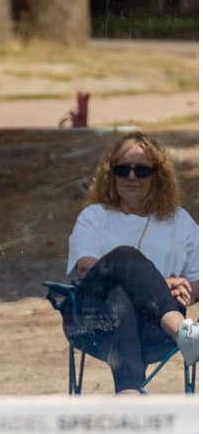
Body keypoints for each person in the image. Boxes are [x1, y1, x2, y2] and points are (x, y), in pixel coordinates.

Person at [64, 131, 199, 394]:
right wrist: (161, 285)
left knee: (121, 295)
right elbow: (87, 268)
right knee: (123, 260)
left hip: (153, 328)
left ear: (158, 176)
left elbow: (198, 279)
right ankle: (183, 332)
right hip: (96, 321)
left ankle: (128, 394)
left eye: (142, 170)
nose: (131, 177)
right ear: (110, 174)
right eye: (122, 169)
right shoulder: (94, 217)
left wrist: (187, 291)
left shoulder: (180, 221)